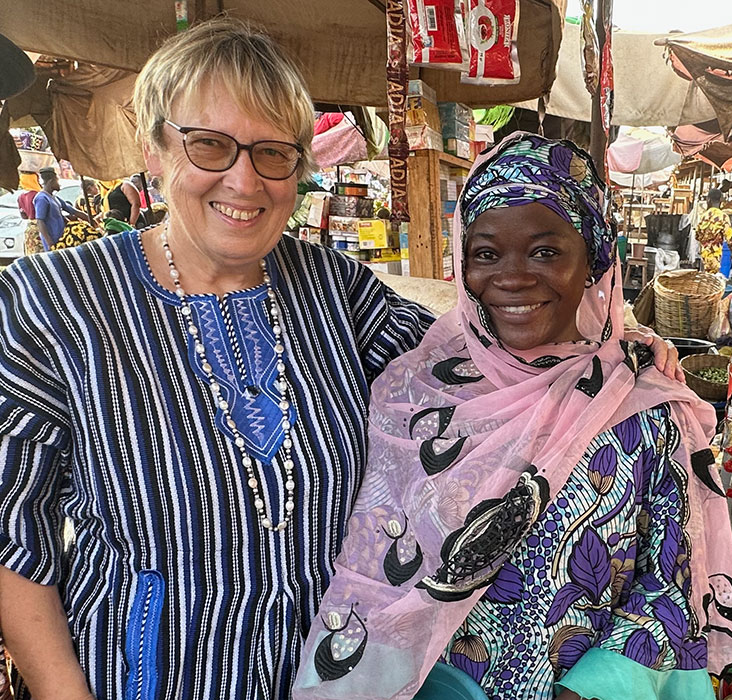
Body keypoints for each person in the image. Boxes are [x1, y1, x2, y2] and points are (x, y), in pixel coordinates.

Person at [0, 20, 680, 700]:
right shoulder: (50, 305)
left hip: (317, 680)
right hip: (139, 677)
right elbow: (13, 544)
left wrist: (626, 352)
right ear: (153, 149)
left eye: (273, 153)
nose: (244, 180)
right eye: (209, 145)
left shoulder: (335, 290)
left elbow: (482, 357)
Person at [293, 133, 732, 700]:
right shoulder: (417, 396)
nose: (512, 277)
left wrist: (586, 691)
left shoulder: (646, 412)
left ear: (595, 262)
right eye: (486, 253)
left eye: (545, 251)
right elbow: (371, 566)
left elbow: (669, 585)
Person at [32, 167, 91, 249]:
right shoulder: (42, 198)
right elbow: (40, 221)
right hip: (53, 241)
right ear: (51, 181)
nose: (59, 184)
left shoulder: (55, 198)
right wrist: (50, 243)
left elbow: (75, 212)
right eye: (57, 181)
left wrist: (92, 221)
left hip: (62, 238)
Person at [694, 188, 732, 276]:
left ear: (708, 200)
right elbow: (730, 239)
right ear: (721, 200)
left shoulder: (703, 216)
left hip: (704, 256)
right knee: (714, 282)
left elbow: (697, 236)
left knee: (704, 280)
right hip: (717, 256)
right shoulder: (723, 217)